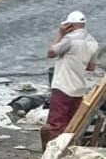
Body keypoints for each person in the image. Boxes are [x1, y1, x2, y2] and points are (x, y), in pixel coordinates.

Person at [42, 11, 99, 149]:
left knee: (56, 124)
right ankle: (68, 150)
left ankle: (54, 152)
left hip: (63, 87)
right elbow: (91, 67)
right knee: (72, 123)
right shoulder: (93, 42)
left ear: (70, 25)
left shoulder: (69, 40)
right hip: (79, 88)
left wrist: (60, 34)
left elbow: (50, 53)